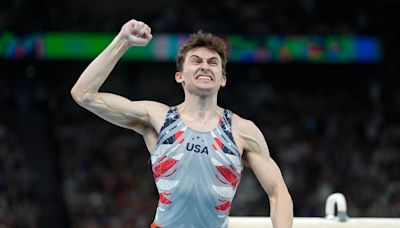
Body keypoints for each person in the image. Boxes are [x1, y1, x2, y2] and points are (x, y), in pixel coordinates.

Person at [71, 19, 293, 228]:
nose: (205, 66)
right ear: (180, 76)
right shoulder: (157, 117)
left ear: (223, 79)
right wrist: (123, 41)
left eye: (213, 62)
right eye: (196, 61)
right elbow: (83, 94)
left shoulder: (243, 130)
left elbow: (278, 193)